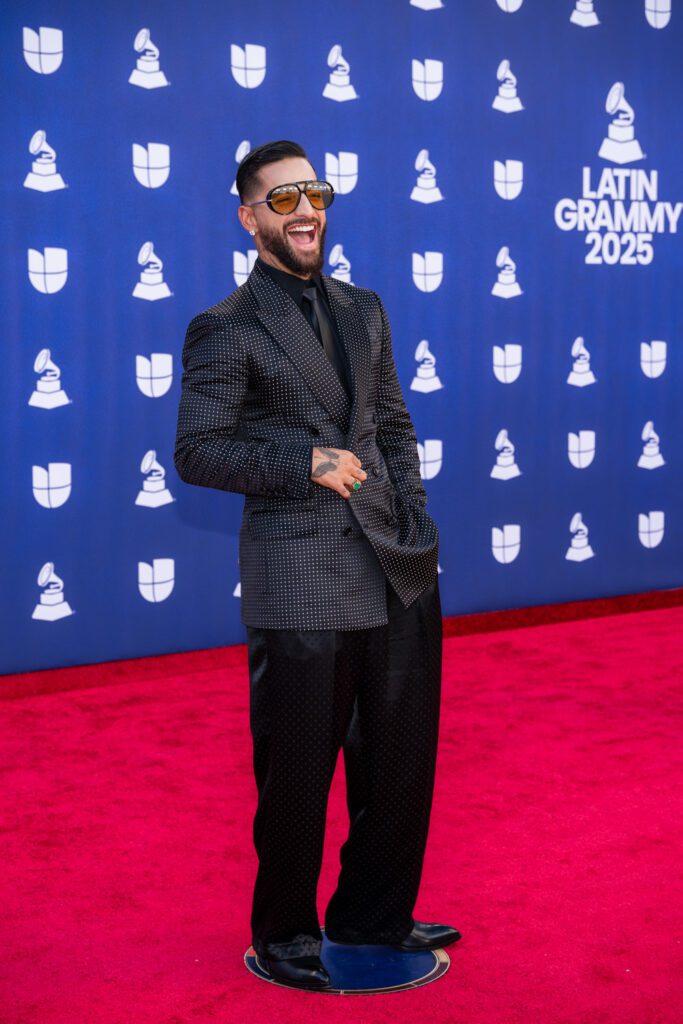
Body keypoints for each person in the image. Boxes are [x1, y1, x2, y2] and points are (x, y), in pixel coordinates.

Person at [174, 139, 460, 990]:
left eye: (314, 193)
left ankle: (373, 910)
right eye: (282, 198)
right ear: (250, 217)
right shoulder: (224, 327)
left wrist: (414, 516)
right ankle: (284, 934)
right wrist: (304, 461)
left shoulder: (364, 308)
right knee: (298, 769)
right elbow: (197, 452)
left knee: (400, 759)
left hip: (394, 564)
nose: (305, 210)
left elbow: (394, 427)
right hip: (299, 573)